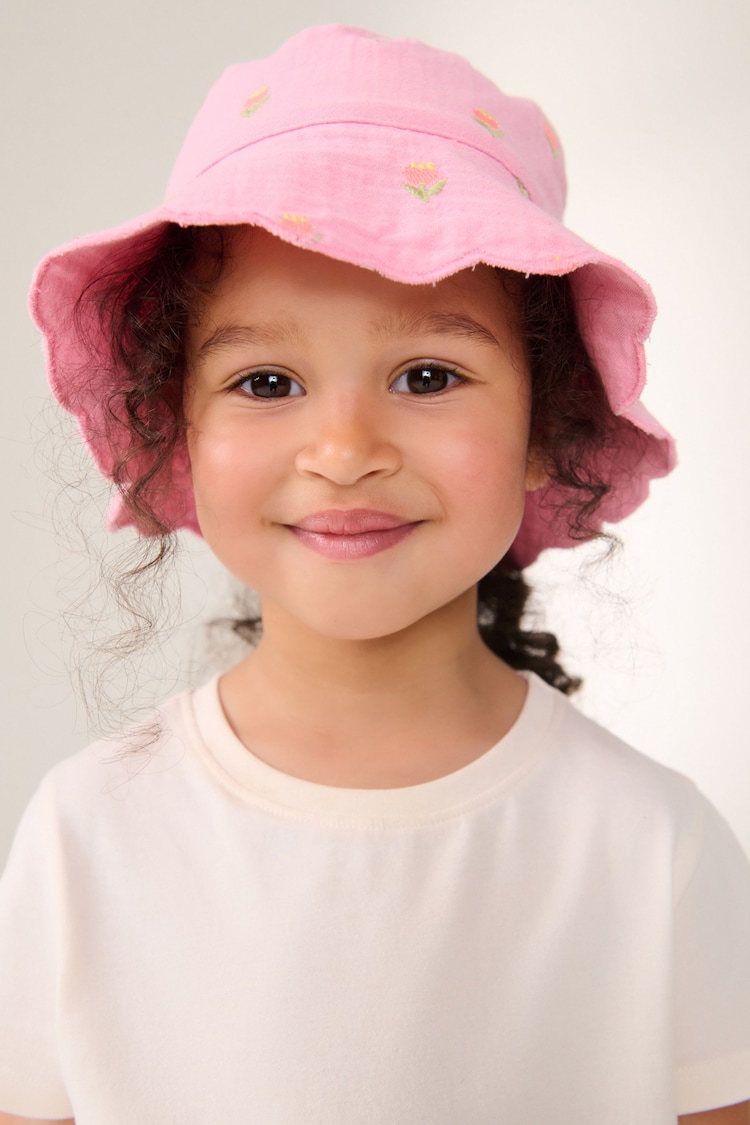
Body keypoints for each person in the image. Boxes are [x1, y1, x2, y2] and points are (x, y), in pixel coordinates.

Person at [0, 23, 749, 1125]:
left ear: (549, 423)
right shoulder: (87, 833)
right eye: (266, 382)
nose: (345, 449)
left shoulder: (651, 846)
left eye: (428, 373)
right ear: (177, 432)